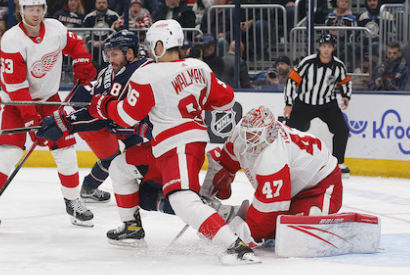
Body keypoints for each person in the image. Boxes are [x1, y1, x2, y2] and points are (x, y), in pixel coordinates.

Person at [87, 19, 260, 264]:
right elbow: (227, 100)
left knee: (181, 200)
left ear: (160, 44)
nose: (148, 51)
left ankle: (235, 247)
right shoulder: (199, 67)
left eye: (150, 45)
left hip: (178, 145)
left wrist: (103, 106)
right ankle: (131, 228)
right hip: (172, 144)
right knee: (120, 167)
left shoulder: (148, 73)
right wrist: (194, 99)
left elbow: (126, 116)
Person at [0, 0, 97, 233]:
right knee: (8, 153)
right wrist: (30, 118)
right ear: (22, 10)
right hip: (16, 104)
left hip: (49, 101)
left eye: (39, 8)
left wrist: (81, 59)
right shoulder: (11, 38)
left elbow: (76, 43)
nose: (36, 13)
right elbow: (16, 86)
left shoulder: (56, 28)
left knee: (66, 150)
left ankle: (73, 203)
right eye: (30, 9)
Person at [37, 30, 153, 203]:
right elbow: (99, 116)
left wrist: (66, 123)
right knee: (112, 159)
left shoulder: (140, 70)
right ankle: (89, 188)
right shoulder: (113, 72)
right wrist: (66, 123)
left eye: (115, 54)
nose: (110, 59)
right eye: (109, 55)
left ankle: (148, 186)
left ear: (130, 53)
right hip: (96, 118)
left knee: (135, 146)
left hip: (112, 117)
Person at [203, 105, 342, 245]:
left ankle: (313, 214)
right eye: (247, 132)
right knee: (279, 224)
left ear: (268, 133)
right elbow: (227, 161)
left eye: (254, 133)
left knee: (293, 233)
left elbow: (270, 212)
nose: (248, 138)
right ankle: (241, 214)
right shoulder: (240, 132)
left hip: (321, 185)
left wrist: (241, 238)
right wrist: (215, 188)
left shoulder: (274, 156)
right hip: (293, 185)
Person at [283, 33, 351, 178]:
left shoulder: (338, 66)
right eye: (324, 46)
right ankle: (286, 160)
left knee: (342, 130)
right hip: (304, 103)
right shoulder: (307, 63)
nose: (326, 50)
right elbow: (291, 80)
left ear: (333, 49)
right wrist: (289, 103)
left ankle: (338, 163)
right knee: (290, 132)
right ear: (319, 47)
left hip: (328, 104)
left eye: (329, 47)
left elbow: (345, 82)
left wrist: (346, 96)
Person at [82, 0, 119, 66]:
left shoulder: (114, 16)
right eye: (99, 3)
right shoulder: (89, 17)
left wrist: (105, 42)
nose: (101, 4)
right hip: (92, 44)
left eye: (103, 2)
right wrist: (92, 42)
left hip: (109, 44)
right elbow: (85, 32)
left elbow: (116, 32)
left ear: (107, 3)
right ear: (95, 3)